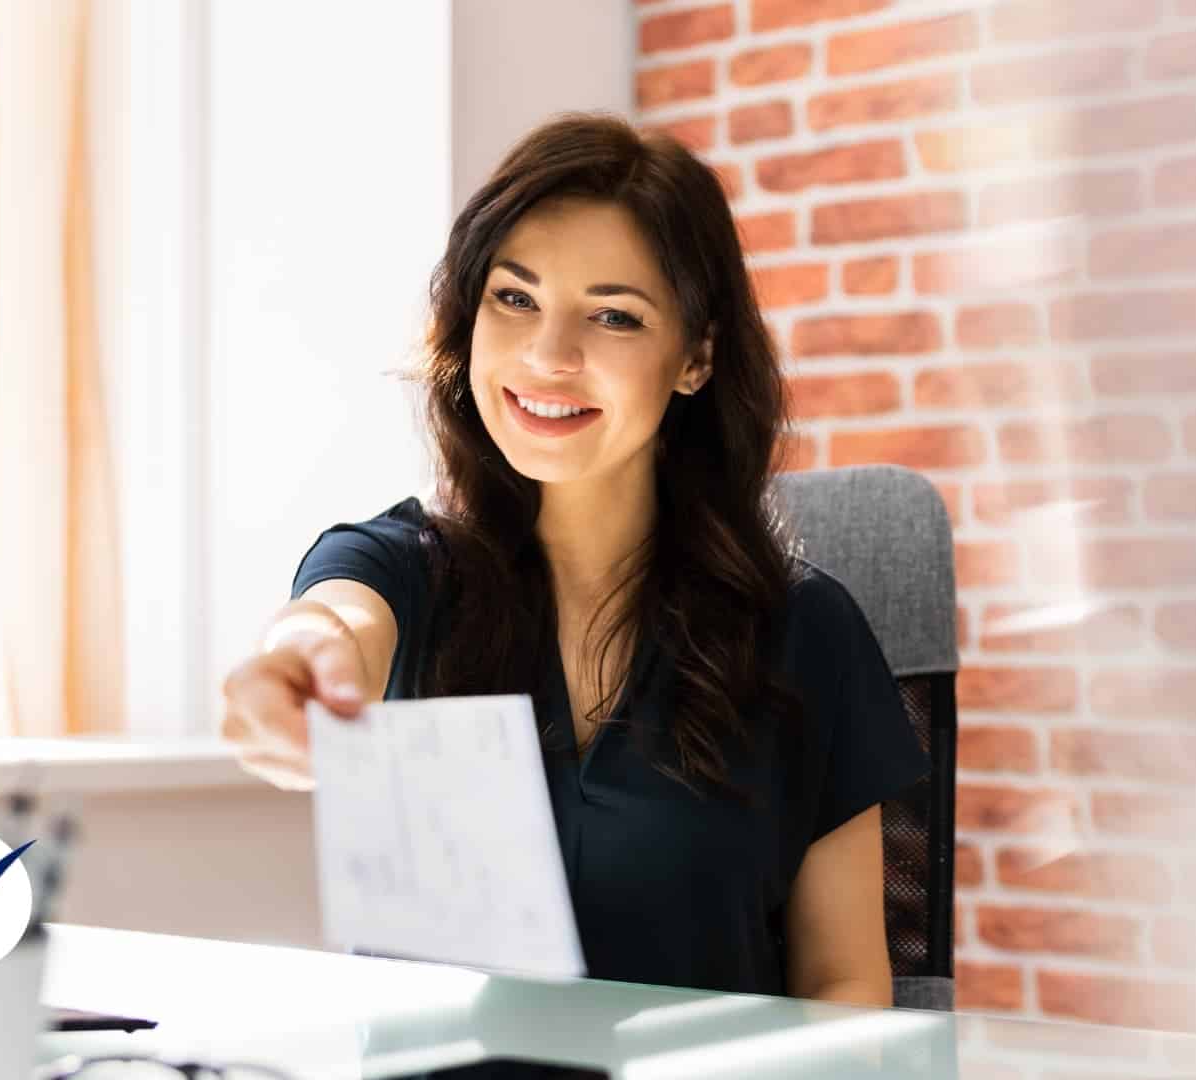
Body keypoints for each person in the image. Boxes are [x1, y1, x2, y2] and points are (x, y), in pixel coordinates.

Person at [219, 114, 928, 1005]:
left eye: (613, 317)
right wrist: (296, 661)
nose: (549, 357)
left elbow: (845, 981)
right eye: (514, 299)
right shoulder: (401, 566)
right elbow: (335, 620)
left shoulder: (805, 630)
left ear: (696, 358)